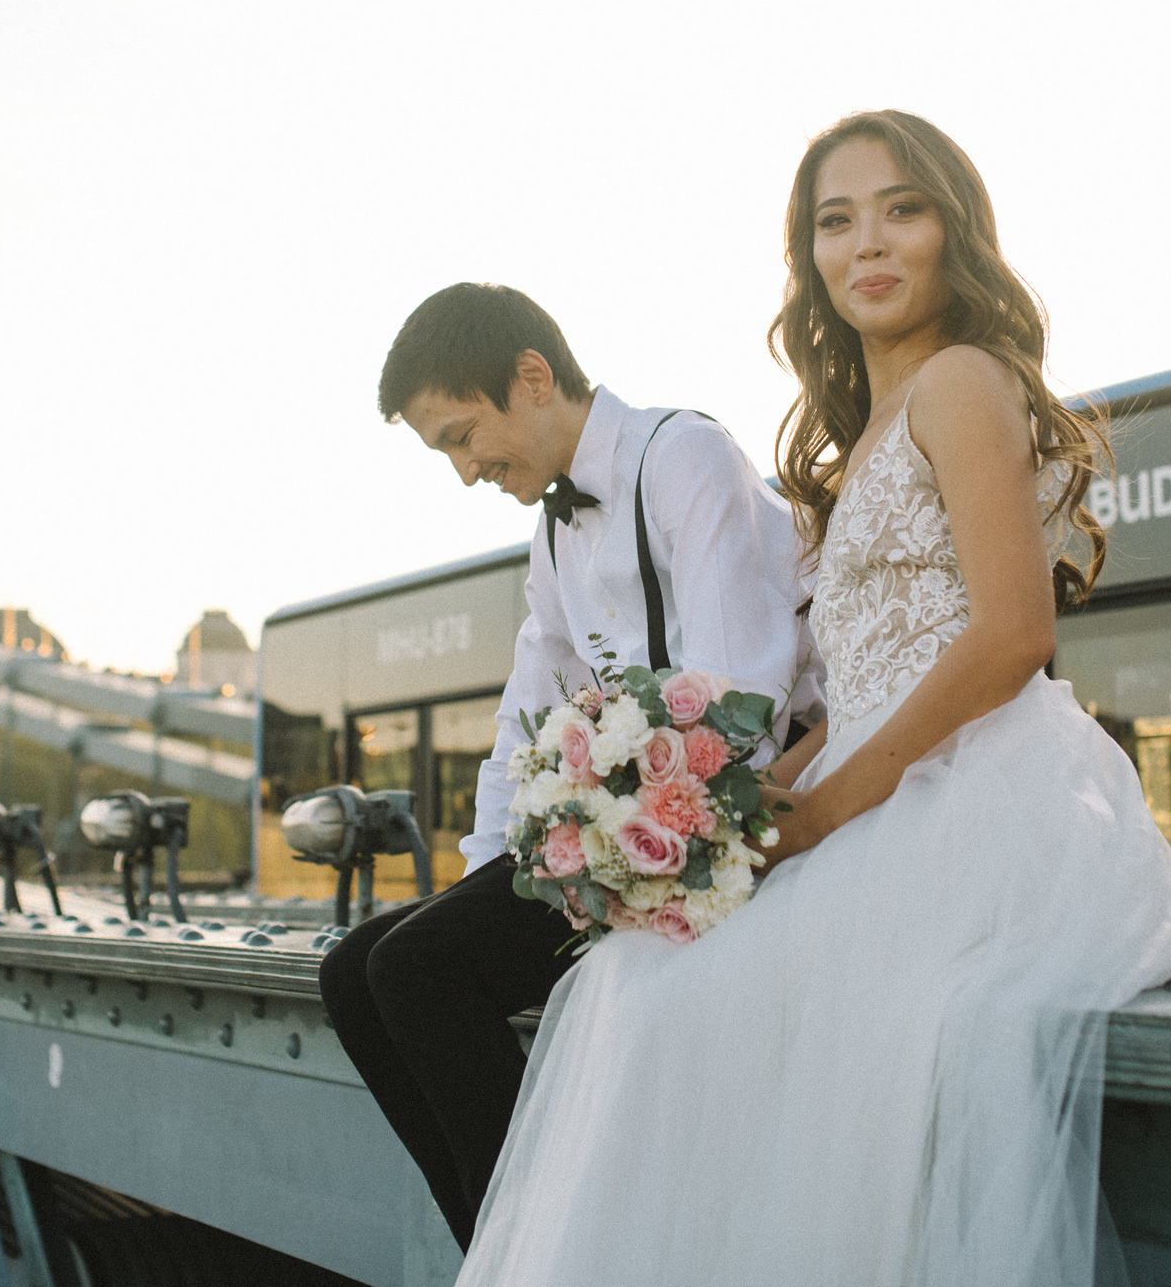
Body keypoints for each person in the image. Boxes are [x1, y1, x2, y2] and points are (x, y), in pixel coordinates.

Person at [457, 112, 1171, 1286]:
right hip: (876, 776)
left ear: (951, 230)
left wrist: (828, 803)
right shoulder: (866, 424)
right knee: (641, 987)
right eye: (835, 218)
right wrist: (774, 780)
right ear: (807, 255)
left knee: (672, 1007)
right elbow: (866, 664)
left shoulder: (963, 381)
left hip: (969, 790)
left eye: (901, 208)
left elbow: (1014, 633)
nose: (868, 240)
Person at [320, 282, 825, 1251]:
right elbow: (525, 710)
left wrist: (623, 830)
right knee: (354, 970)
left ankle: (543, 1246)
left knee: (416, 969)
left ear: (533, 376)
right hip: (635, 829)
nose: (467, 469)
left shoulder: (682, 455)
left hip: (732, 822)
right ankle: (505, 1243)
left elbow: (737, 694)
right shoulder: (554, 529)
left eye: (464, 436)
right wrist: (482, 875)